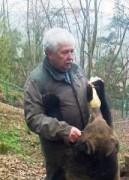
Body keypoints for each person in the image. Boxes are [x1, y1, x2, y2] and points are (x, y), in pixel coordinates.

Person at [24, 28, 89, 179]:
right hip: (58, 153)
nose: (71, 57)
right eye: (65, 52)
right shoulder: (37, 80)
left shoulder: (76, 70)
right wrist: (64, 130)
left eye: (72, 51)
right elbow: (34, 118)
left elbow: (86, 96)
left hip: (84, 144)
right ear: (49, 53)